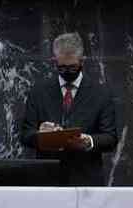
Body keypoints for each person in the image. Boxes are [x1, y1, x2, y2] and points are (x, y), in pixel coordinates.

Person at [20, 33, 117, 186]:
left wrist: (88, 141)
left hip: (86, 181)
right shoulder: (38, 92)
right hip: (47, 179)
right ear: (54, 61)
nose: (67, 72)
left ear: (82, 61)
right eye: (62, 67)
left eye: (72, 67)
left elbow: (110, 138)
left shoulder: (101, 93)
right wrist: (41, 135)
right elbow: (25, 135)